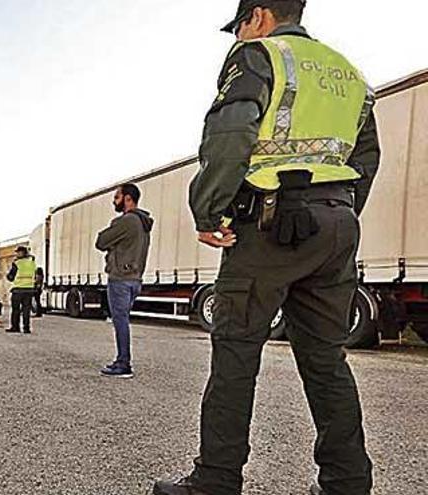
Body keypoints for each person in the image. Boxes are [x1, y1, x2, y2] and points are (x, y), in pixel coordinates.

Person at [152, 1, 380, 494]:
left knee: (236, 352)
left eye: (237, 28)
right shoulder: (349, 72)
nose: (236, 37)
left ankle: (215, 480)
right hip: (336, 223)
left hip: (270, 225)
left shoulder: (258, 55)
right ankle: (348, 483)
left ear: (256, 16)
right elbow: (366, 156)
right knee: (326, 359)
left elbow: (231, 131)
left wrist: (208, 209)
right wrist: (338, 210)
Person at [94, 183, 153, 379]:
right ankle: (122, 360)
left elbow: (101, 242)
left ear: (128, 198)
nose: (114, 201)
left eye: (117, 197)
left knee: (120, 321)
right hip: (135, 278)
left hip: (120, 278)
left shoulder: (127, 221)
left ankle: (123, 363)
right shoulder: (143, 223)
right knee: (123, 319)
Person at [5, 246, 37, 334]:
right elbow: (35, 275)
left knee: (16, 310)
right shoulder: (32, 263)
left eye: (18, 252)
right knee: (26, 310)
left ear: (22, 253)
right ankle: (26, 328)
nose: (17, 254)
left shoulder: (17, 263)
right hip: (29, 290)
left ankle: (15, 327)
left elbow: (11, 277)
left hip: (18, 290)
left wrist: (8, 276)